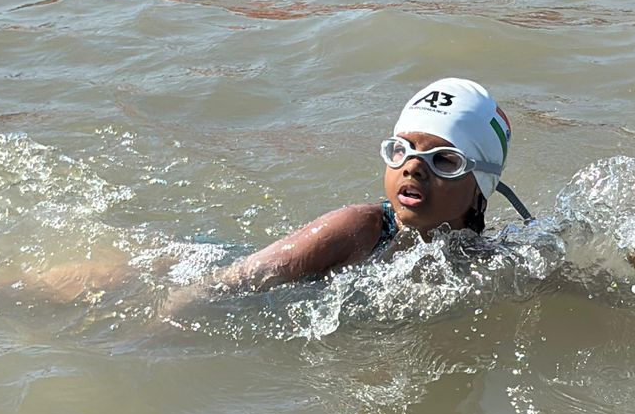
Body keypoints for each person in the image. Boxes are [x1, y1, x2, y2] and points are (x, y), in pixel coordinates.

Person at [162, 77, 524, 310]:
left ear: (481, 182)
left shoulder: (491, 260)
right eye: (402, 150)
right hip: (188, 263)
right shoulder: (358, 229)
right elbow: (222, 285)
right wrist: (152, 333)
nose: (413, 167)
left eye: (444, 160)